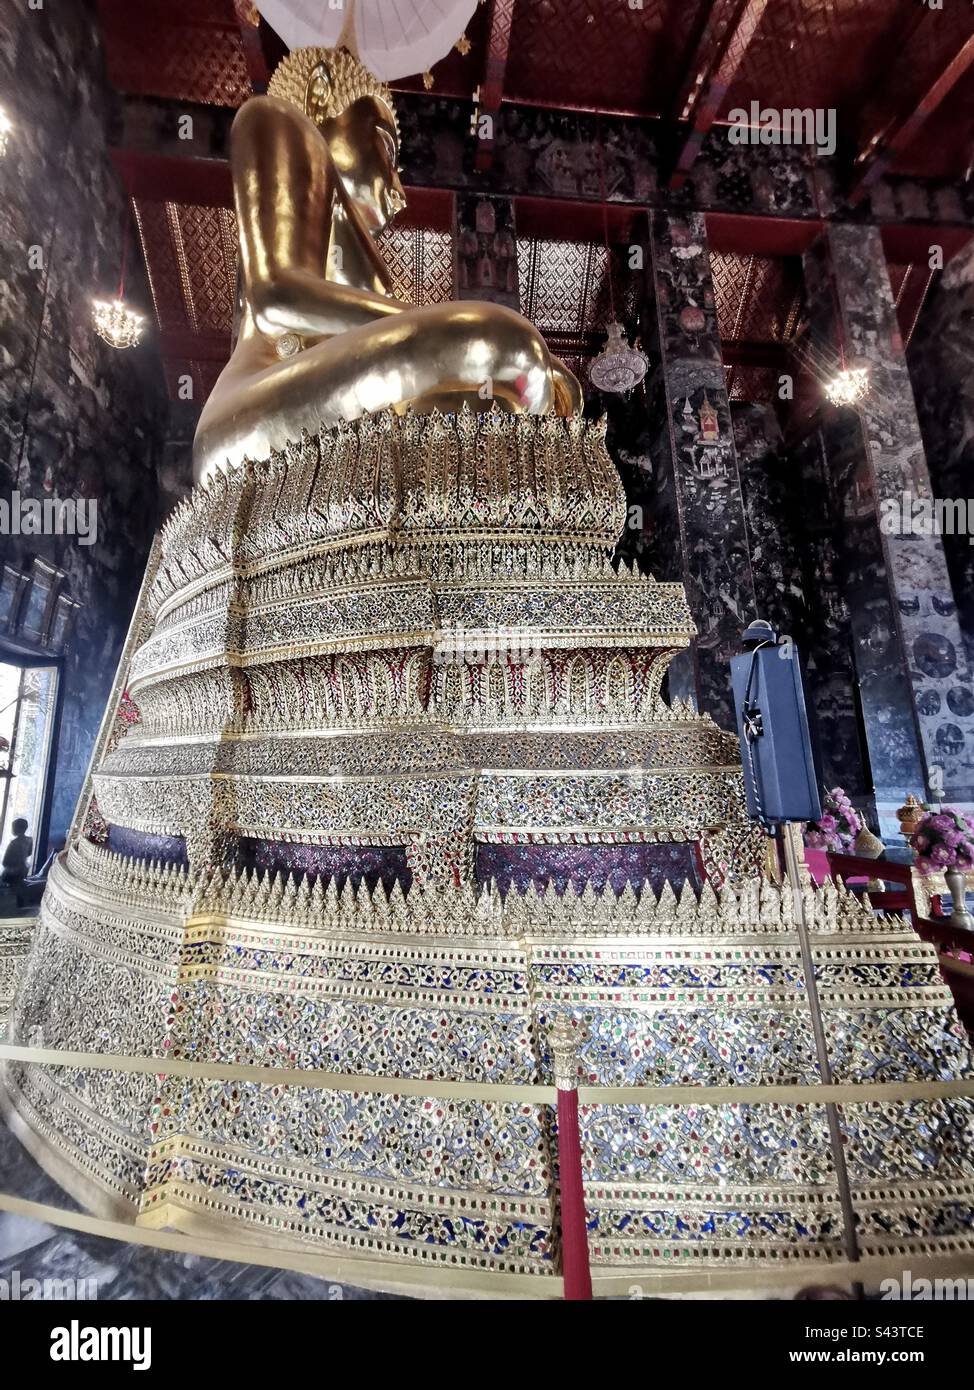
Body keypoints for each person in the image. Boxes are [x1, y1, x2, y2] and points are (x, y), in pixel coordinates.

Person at [192, 45, 581, 484]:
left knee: (492, 404)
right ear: (321, 94)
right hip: (251, 411)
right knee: (508, 343)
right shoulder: (279, 120)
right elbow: (276, 297)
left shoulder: (354, 248)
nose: (398, 189)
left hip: (335, 419)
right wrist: (433, 325)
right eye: (385, 148)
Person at [2, 817, 33, 908]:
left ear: (16, 829)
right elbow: (29, 853)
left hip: (12, 872)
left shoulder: (13, 843)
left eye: (13, 827)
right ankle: (20, 902)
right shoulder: (29, 840)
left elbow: (5, 862)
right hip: (23, 869)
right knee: (19, 888)